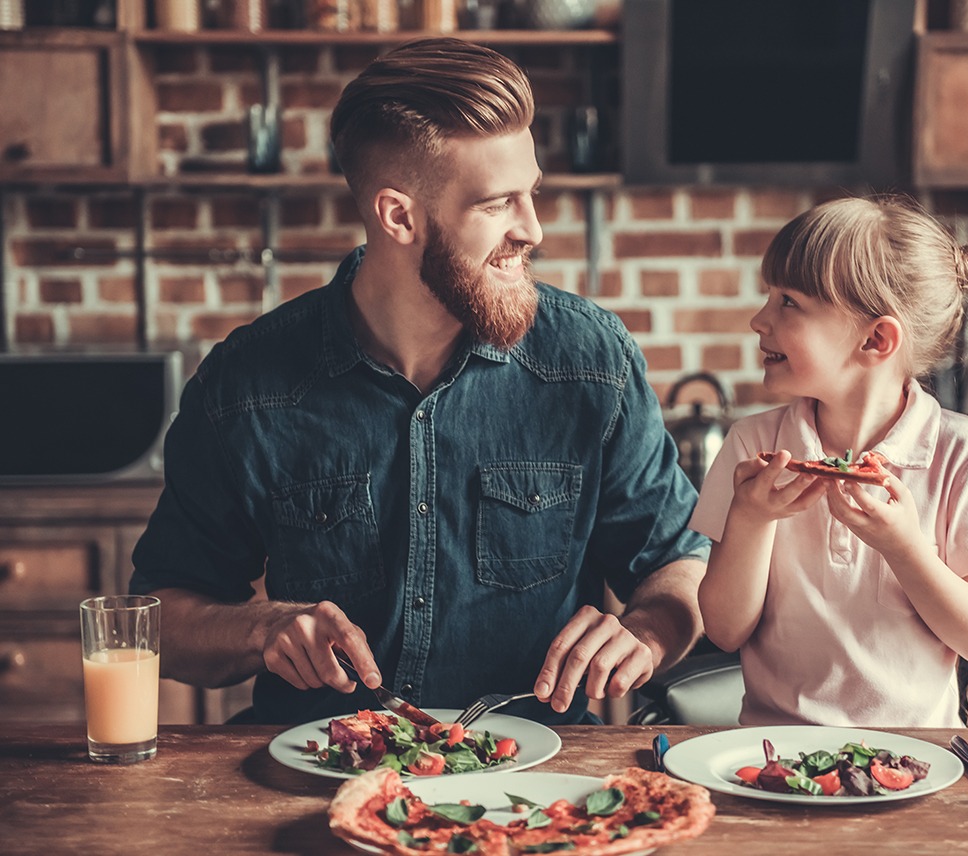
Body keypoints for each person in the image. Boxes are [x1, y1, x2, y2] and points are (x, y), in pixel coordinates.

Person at [129, 38, 708, 726]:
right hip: (320, 771)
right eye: (499, 204)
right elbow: (159, 616)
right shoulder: (246, 383)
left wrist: (645, 633)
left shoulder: (592, 359)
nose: (534, 228)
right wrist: (263, 629)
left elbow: (678, 565)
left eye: (533, 194)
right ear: (398, 215)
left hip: (540, 783)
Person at [690, 195, 968, 728]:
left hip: (920, 762)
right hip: (774, 759)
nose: (760, 319)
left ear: (876, 338)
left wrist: (904, 546)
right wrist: (751, 518)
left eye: (789, 302)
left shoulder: (966, 458)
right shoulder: (750, 447)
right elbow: (724, 630)